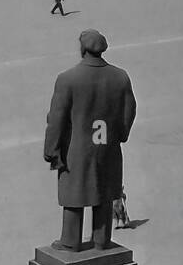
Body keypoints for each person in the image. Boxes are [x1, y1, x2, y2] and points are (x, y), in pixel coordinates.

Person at [43, 29, 137, 251]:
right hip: (108, 148)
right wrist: (121, 134)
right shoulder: (120, 77)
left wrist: (51, 149)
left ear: (82, 49)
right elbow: (129, 110)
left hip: (76, 150)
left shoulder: (67, 79)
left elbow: (57, 119)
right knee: (103, 193)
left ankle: (70, 241)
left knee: (74, 196)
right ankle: (101, 240)